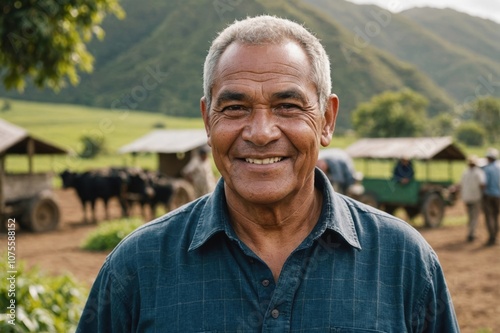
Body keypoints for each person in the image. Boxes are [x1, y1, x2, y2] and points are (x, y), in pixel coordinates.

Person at [76, 15, 459, 332]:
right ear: (207, 121)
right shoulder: (136, 267)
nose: (260, 133)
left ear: (327, 120)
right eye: (236, 108)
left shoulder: (405, 262)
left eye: (288, 106)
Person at [460, 155, 486, 242]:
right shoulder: (479, 172)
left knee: (470, 216)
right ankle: (472, 234)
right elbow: (482, 184)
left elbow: (461, 184)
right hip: (475, 197)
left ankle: (470, 232)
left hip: (467, 197)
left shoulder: (465, 172)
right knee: (474, 216)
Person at [482, 148, 500, 246]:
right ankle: (496, 235)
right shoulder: (499, 168)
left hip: (488, 195)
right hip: (498, 195)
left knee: (489, 216)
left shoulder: (487, 169)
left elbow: (485, 183)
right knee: (496, 216)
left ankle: (491, 236)